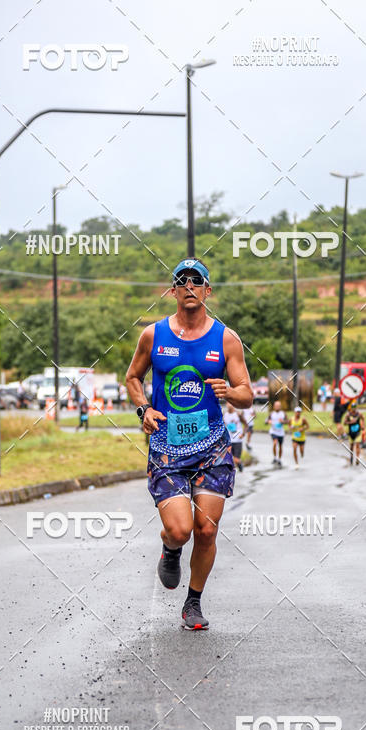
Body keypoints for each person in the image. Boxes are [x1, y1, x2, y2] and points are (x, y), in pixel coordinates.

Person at [126, 258, 252, 631]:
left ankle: (193, 603)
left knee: (207, 530)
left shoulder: (226, 339)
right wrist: (144, 409)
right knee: (181, 530)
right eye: (182, 281)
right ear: (173, 291)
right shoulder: (153, 335)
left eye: (197, 281)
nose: (189, 286)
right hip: (167, 447)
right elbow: (133, 377)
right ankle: (171, 547)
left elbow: (246, 393)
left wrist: (229, 391)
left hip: (212, 446)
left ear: (207, 290)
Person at [223, 403, 245, 472]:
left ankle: (241, 467)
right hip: (229, 440)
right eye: (228, 404)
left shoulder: (238, 414)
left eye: (231, 404)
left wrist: (243, 434)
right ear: (226, 405)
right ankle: (232, 471)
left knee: (236, 459)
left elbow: (246, 424)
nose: (229, 405)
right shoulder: (225, 415)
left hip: (237, 440)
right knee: (229, 459)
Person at [344, 401, 366, 466]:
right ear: (351, 408)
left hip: (358, 432)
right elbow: (344, 423)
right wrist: (351, 422)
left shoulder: (359, 414)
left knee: (357, 445)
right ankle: (351, 457)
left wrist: (363, 425)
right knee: (351, 446)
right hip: (351, 433)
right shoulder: (348, 415)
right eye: (353, 408)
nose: (354, 409)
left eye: (355, 408)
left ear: (356, 408)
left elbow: (363, 418)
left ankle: (357, 458)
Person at [266, 400, 286, 467]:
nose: (277, 407)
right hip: (273, 431)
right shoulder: (272, 414)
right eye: (276, 406)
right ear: (274, 407)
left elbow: (287, 421)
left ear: (280, 407)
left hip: (281, 432)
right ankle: (275, 457)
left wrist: (283, 421)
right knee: (275, 443)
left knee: (280, 446)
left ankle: (279, 459)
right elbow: (266, 421)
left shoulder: (283, 413)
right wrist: (268, 421)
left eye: (278, 406)